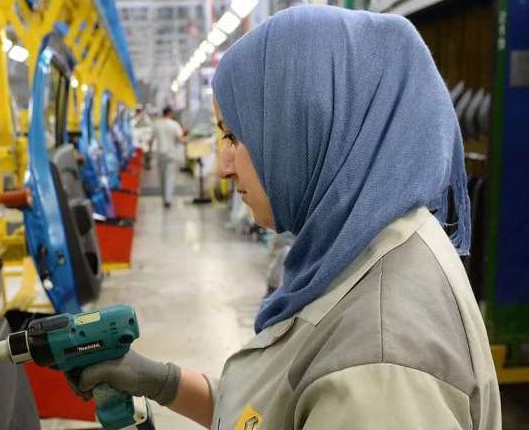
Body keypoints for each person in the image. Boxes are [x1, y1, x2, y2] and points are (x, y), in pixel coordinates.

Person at [68, 6, 500, 429]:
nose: (223, 168)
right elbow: (279, 410)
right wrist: (163, 383)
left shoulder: (381, 365)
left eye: (234, 136)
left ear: (302, 126)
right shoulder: (361, 247)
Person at [151, 106, 186, 208]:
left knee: (162, 178)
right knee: (170, 177)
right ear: (170, 113)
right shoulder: (174, 124)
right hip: (171, 154)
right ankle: (168, 200)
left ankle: (164, 198)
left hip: (160, 154)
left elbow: (151, 139)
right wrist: (188, 139)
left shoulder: (156, 124)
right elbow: (179, 139)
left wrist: (148, 152)